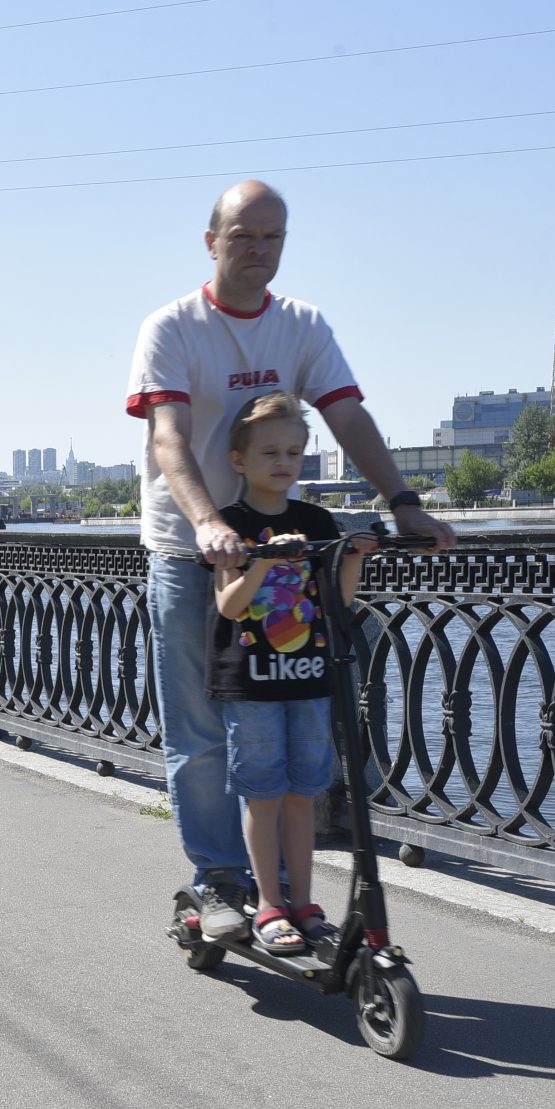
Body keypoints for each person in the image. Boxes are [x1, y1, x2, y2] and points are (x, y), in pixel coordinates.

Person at [126, 179, 455, 943]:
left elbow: (346, 413)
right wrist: (206, 521)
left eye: (272, 237)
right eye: (243, 235)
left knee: (291, 711)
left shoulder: (301, 325)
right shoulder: (173, 327)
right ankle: (218, 880)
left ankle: (281, 889)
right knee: (201, 730)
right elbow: (168, 437)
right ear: (211, 241)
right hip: (191, 551)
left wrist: (403, 501)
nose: (259, 250)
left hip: (282, 555)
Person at [207, 393, 367, 949]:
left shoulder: (315, 520)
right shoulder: (231, 525)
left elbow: (336, 605)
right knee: (263, 795)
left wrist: (353, 558)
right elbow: (230, 606)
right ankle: (269, 904)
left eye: (294, 453)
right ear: (239, 460)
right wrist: (265, 559)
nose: (283, 462)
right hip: (249, 685)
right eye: (270, 451)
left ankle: (304, 902)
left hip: (308, 680)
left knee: (304, 794)